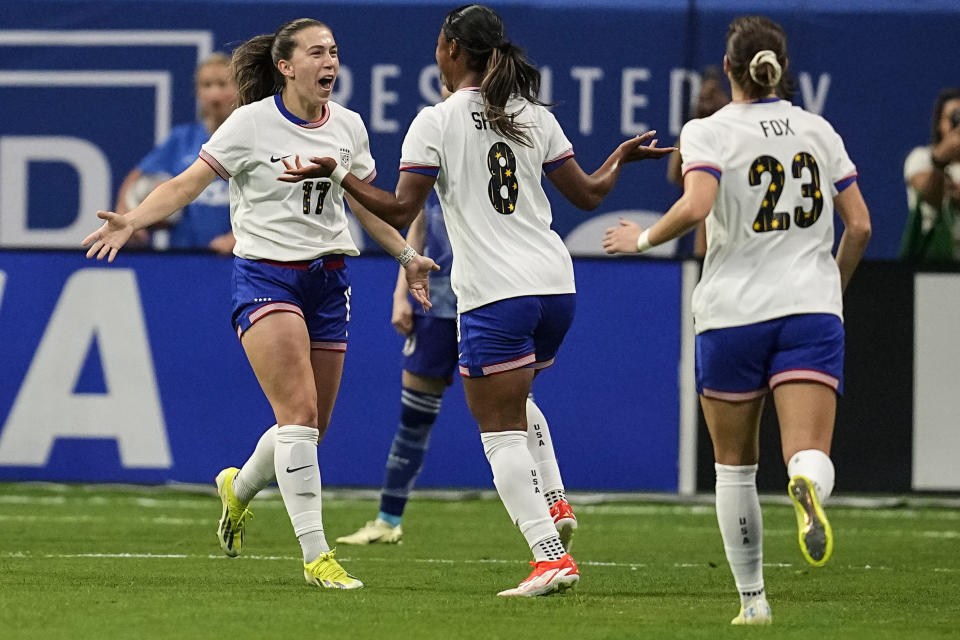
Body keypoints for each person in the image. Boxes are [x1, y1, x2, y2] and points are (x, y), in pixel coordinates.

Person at [277, 3, 673, 597]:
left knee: (499, 431)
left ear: (452, 50)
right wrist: (619, 157)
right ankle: (556, 502)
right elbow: (589, 195)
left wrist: (336, 172)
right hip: (556, 289)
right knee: (517, 401)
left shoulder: (436, 121)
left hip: (495, 293)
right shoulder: (533, 115)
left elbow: (398, 209)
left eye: (440, 44)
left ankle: (548, 556)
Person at [81, 17, 438, 591]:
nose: (330, 63)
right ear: (286, 65)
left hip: (329, 280)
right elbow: (187, 183)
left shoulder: (347, 125)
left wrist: (405, 256)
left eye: (334, 52)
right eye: (317, 53)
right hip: (267, 277)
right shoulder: (250, 124)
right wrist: (135, 217)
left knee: (311, 429)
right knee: (297, 415)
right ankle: (317, 557)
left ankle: (238, 488)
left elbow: (370, 207)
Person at [603, 15, 871, 625]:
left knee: (736, 467)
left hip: (731, 313)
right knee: (806, 452)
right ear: (783, 68)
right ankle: (805, 484)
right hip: (809, 308)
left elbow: (696, 204)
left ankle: (754, 602)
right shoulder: (818, 130)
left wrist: (642, 236)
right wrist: (831, 286)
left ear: (728, 70)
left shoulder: (709, 131)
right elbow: (859, 225)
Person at [336, 191, 577, 548]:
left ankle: (550, 506)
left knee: (512, 408)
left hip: (486, 302)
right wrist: (399, 295)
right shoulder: (437, 170)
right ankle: (388, 520)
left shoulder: (489, 164)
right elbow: (416, 231)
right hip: (436, 305)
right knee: (417, 417)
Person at [115, 53, 238, 254]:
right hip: (183, 256)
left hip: (237, 258)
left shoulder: (249, 138)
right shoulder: (182, 138)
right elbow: (136, 176)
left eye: (222, 84)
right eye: (207, 85)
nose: (214, 94)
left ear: (238, 88)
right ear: (198, 92)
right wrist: (126, 215)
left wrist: (237, 238)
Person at [666, 66, 731, 257]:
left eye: (715, 95)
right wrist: (698, 122)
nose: (710, 102)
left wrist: (722, 115)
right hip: (708, 249)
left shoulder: (735, 131)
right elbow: (675, 174)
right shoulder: (697, 133)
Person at [900, 87, 960, 263]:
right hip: (930, 259)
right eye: (954, 118)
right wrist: (940, 162)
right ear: (940, 123)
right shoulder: (921, 158)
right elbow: (929, 196)